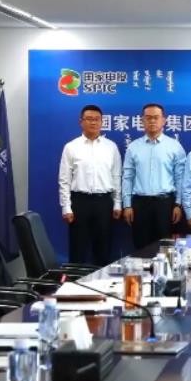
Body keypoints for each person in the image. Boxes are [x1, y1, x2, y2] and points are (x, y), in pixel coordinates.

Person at [58, 105, 121, 265]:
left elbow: (116, 177)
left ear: (102, 122)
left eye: (97, 119)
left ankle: (101, 280)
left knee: (103, 249)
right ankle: (75, 280)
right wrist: (66, 207)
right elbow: (64, 180)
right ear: (81, 122)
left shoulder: (111, 147)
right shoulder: (71, 147)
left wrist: (117, 203)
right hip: (80, 202)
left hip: (104, 203)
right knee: (77, 249)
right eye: (89, 119)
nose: (93, 122)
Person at [122, 103, 186, 250]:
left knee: (165, 247)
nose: (152, 121)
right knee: (141, 247)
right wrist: (127, 205)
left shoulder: (174, 146)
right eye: (148, 117)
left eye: (156, 117)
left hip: (165, 204)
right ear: (142, 120)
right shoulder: (133, 147)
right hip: (140, 204)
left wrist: (178, 204)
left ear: (164, 120)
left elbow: (180, 178)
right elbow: (127, 177)